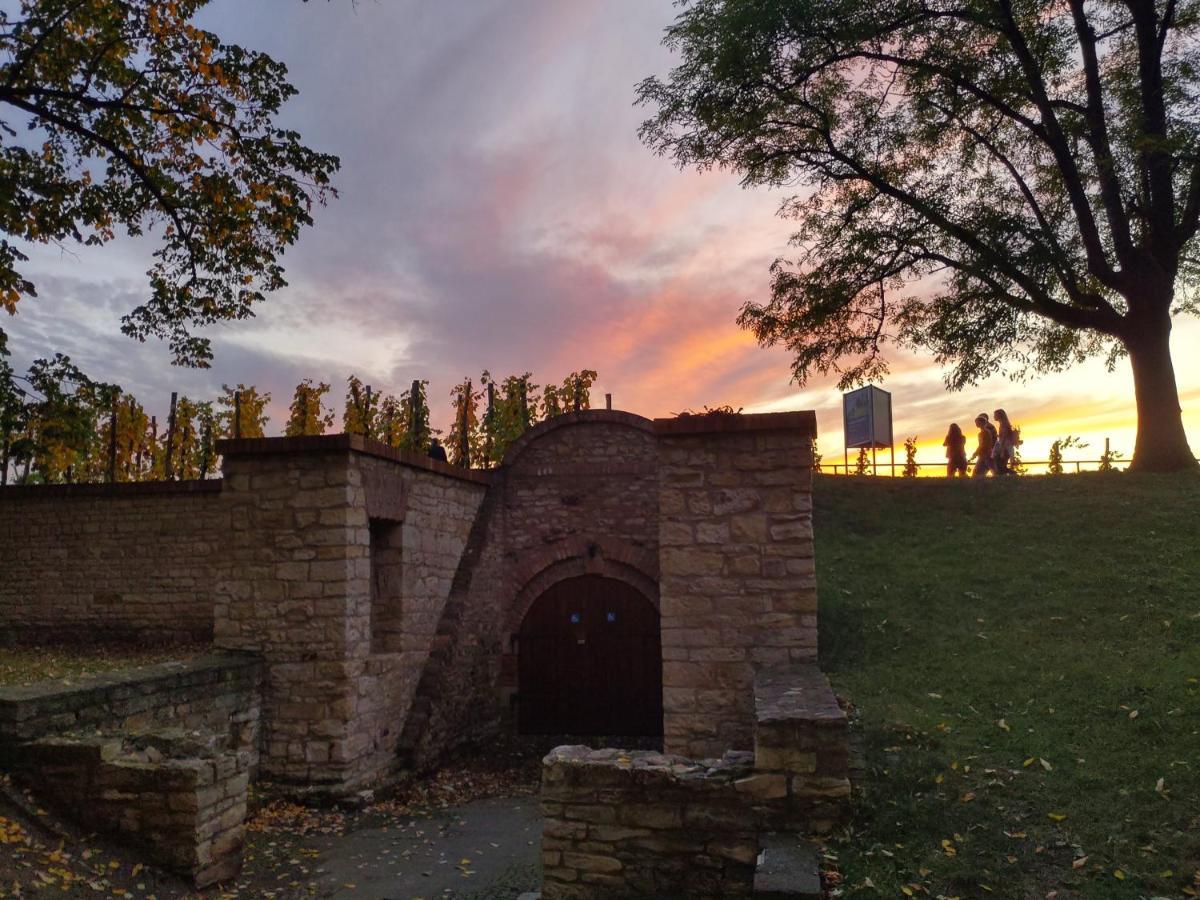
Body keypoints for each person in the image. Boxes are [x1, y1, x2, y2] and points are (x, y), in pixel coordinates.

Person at [993, 409, 1017, 476]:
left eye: (995, 415)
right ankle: (1012, 474)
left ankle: (1013, 474)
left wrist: (1002, 450)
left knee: (1000, 466)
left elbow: (1004, 438)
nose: (994, 416)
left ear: (999, 415)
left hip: (1004, 447)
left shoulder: (1004, 424)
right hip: (1004, 447)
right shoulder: (1003, 424)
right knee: (1000, 466)